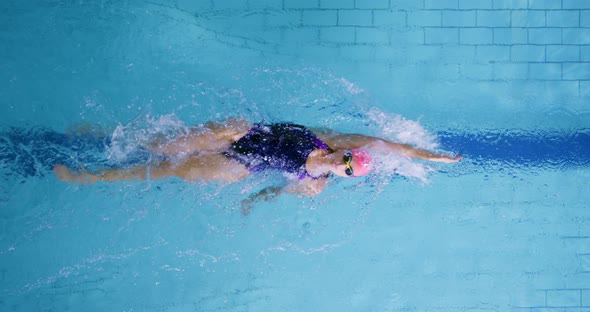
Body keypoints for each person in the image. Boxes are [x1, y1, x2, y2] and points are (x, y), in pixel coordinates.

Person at [54, 118, 462, 212]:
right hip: (238, 135)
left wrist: (253, 202)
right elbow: (393, 146)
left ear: (347, 176)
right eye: (349, 159)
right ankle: (96, 134)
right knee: (163, 146)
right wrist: (435, 156)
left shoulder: (315, 183)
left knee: (167, 169)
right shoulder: (337, 142)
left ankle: (89, 178)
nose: (345, 162)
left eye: (349, 169)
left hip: (241, 167)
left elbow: (275, 192)